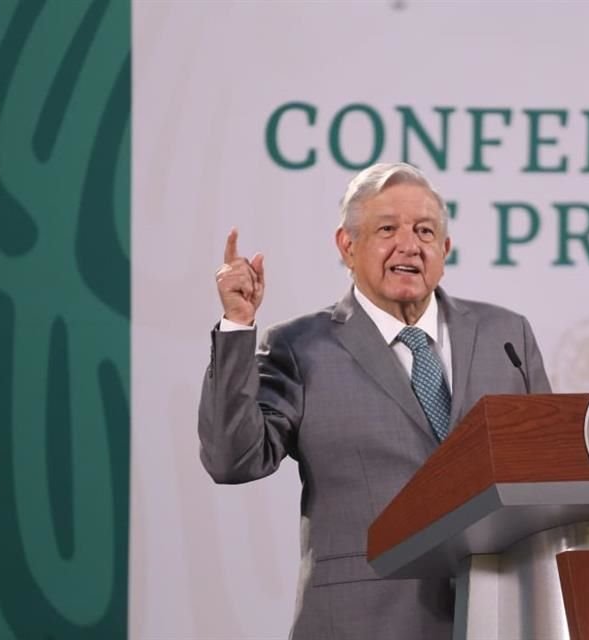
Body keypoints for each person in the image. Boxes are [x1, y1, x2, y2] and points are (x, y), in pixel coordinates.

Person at [198, 162, 550, 640]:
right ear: (347, 246)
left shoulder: (506, 335)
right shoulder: (300, 347)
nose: (409, 245)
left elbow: (544, 478)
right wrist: (238, 325)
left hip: (500, 616)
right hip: (360, 621)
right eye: (388, 229)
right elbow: (232, 459)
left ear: (444, 250)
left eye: (424, 231)